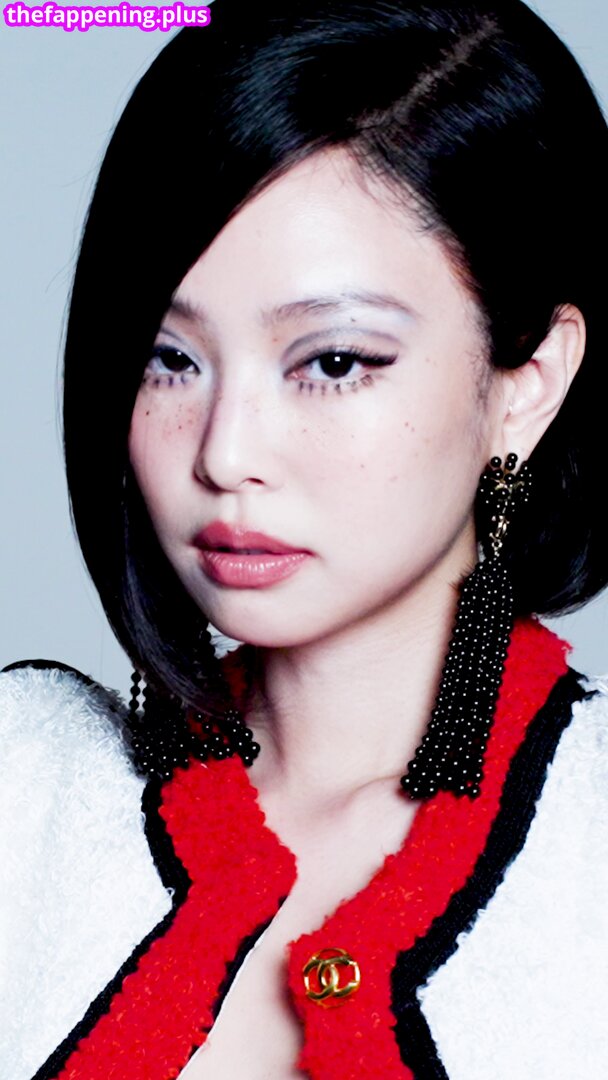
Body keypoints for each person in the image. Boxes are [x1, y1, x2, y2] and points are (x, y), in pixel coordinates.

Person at [2, 1, 608, 1077]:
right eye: (169, 358)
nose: (226, 452)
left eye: (332, 362)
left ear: (525, 383)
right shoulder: (25, 785)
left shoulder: (586, 849)